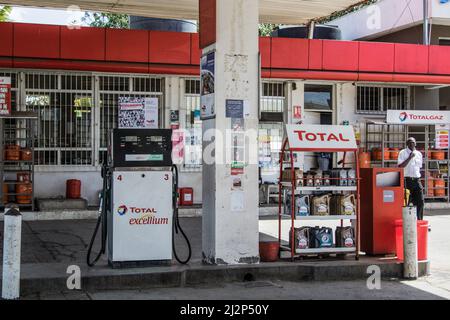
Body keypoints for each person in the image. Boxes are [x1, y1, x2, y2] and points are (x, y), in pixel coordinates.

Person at [398, 137, 424, 220]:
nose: (412, 144)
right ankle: (405, 221)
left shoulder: (419, 154)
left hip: (416, 180)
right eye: (409, 142)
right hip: (407, 181)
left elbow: (419, 166)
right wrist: (410, 157)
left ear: (415, 143)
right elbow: (400, 166)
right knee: (406, 202)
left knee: (420, 202)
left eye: (413, 142)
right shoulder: (402, 153)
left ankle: (419, 220)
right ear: (407, 144)